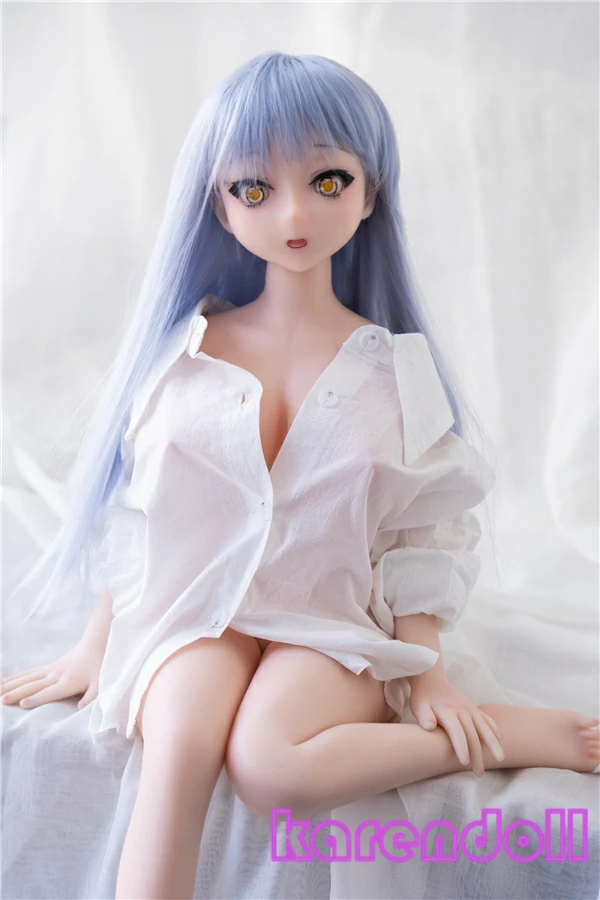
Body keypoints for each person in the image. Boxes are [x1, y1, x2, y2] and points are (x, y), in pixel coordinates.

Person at [2, 51, 598, 900]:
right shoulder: (184, 353)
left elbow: (420, 531)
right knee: (179, 746)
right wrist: (95, 646)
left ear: (370, 192)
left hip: (325, 620)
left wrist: (426, 670)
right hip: (196, 612)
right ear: (218, 203)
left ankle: (505, 735)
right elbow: (144, 512)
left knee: (270, 763)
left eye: (326, 181)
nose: (292, 213)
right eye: (254, 189)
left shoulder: (394, 372)